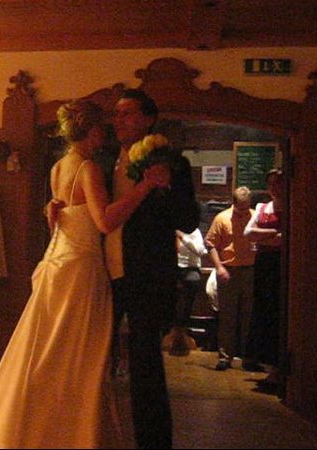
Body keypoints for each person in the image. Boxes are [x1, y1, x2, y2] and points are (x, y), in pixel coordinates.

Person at [0, 99, 167, 449]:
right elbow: (105, 221)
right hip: (81, 270)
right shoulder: (88, 168)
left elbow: (65, 215)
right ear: (90, 129)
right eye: (102, 126)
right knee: (80, 359)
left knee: (49, 353)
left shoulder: (59, 167)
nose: (106, 131)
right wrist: (145, 187)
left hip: (57, 263)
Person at [102, 89, 200, 449]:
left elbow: (189, 220)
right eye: (116, 114)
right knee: (94, 358)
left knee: (146, 365)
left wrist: (166, 183)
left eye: (128, 113)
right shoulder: (102, 160)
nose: (119, 120)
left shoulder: (174, 163)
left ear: (148, 119)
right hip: (100, 272)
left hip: (146, 275)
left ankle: (153, 443)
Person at [204, 186, 260, 372]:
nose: (243, 212)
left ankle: (248, 357)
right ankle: (225, 357)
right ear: (233, 203)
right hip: (229, 271)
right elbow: (210, 244)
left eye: (246, 208)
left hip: (250, 270)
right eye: (240, 208)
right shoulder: (222, 218)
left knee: (249, 315)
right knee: (227, 316)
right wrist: (219, 267)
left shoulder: (255, 216)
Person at [244, 168, 285, 390]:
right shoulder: (262, 207)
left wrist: (262, 238)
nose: (273, 187)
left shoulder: (293, 207)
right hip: (264, 265)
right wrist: (272, 234)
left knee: (278, 312)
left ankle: (278, 370)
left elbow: (286, 239)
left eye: (277, 182)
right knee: (263, 311)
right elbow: (248, 234)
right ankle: (270, 368)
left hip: (281, 265)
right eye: (270, 183)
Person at [168, 228, 208, 356]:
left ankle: (181, 330)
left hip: (190, 268)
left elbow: (200, 251)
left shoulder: (194, 232)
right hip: (173, 269)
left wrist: (183, 237)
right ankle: (172, 332)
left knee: (191, 282)